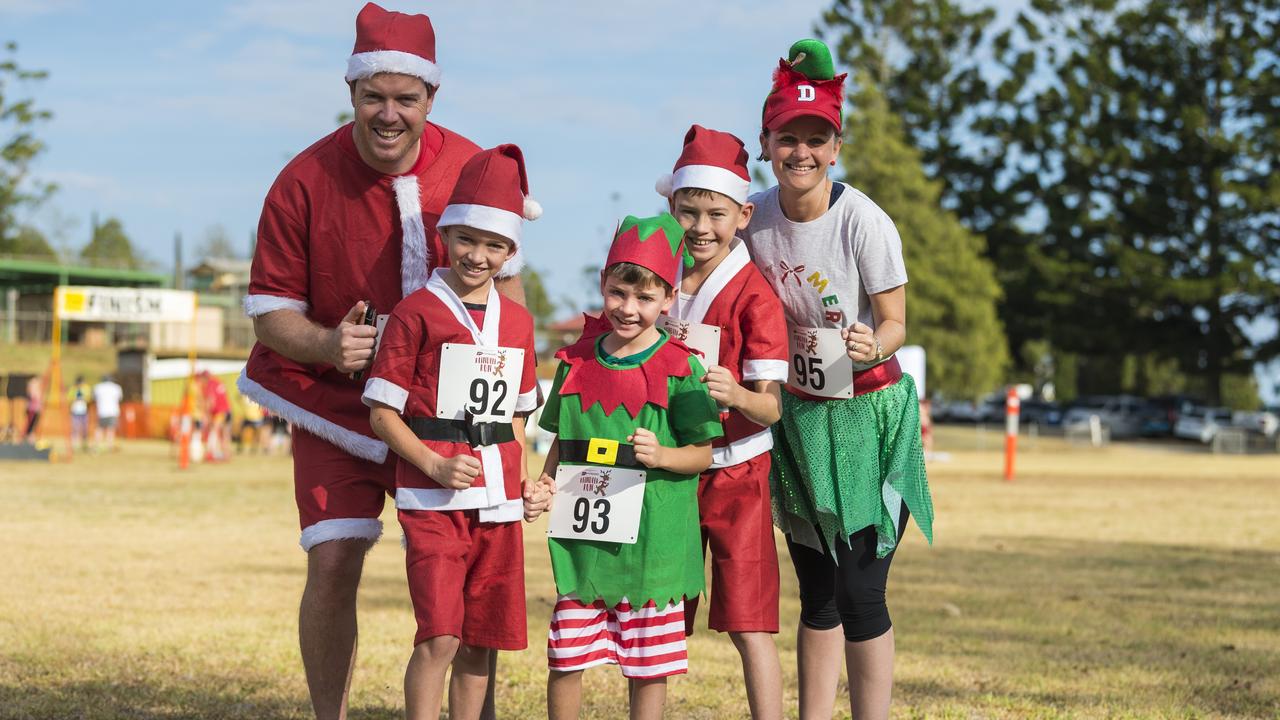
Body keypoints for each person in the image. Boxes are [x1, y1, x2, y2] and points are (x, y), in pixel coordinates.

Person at [237, 4, 526, 718]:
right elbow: (270, 311)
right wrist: (328, 346)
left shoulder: (470, 166)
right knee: (333, 561)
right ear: (351, 92)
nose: (388, 113)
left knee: (469, 576)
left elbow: (509, 291)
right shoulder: (302, 180)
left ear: (432, 97)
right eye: (374, 97)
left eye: (405, 98)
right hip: (335, 408)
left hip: (449, 417)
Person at [741, 40, 935, 720]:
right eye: (788, 138)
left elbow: (896, 323)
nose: (802, 152)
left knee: (861, 591)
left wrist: (868, 342)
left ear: (836, 145)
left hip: (869, 417)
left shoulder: (865, 221)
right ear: (766, 143)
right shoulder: (752, 218)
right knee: (817, 592)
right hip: (798, 417)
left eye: (816, 139)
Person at [363, 144, 550, 720]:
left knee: (480, 642)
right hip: (433, 497)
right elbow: (381, 413)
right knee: (440, 636)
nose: (478, 255)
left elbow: (517, 418)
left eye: (494, 245)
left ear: (510, 251)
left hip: (496, 500)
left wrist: (528, 484)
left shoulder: (518, 322)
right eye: (467, 238)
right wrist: (435, 465)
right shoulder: (415, 312)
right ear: (446, 235)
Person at [538, 214, 723, 720]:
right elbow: (560, 440)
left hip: (653, 545)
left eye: (644, 299)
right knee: (566, 655)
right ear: (603, 286)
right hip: (584, 547)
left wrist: (663, 456)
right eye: (619, 293)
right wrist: (546, 485)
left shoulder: (685, 368)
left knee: (647, 667)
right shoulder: (575, 361)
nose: (628, 308)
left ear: (667, 300)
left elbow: (704, 454)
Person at [654, 125, 789, 719]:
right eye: (689, 212)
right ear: (671, 207)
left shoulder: (754, 294)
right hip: (669, 469)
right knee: (657, 612)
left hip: (737, 470)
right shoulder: (655, 282)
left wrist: (735, 392)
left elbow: (771, 406)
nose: (701, 227)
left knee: (748, 619)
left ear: (743, 214)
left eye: (716, 213)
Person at [199, 370, 231, 461]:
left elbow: (211, 401)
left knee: (214, 431)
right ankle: (226, 454)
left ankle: (212, 453)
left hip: (220, 412)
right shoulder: (218, 381)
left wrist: (206, 414)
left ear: (204, 378)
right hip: (228, 410)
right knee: (224, 434)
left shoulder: (210, 384)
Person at [92, 374, 124, 452]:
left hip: (102, 411)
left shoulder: (97, 387)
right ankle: (109, 446)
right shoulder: (116, 387)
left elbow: (94, 398)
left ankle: (96, 446)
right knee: (111, 429)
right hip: (113, 411)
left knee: (99, 429)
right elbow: (120, 398)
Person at [67, 375, 91, 453]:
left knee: (85, 429)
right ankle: (74, 445)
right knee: (75, 429)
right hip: (75, 412)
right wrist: (75, 398)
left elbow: (89, 398)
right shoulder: (73, 389)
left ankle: (84, 445)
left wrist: (84, 398)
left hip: (84, 411)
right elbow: (68, 398)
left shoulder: (86, 388)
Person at [24, 372, 44, 443]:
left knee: (33, 423)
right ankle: (29, 437)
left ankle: (31, 436)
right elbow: (33, 396)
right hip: (32, 409)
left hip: (35, 408)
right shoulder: (33, 384)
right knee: (31, 423)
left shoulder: (35, 385)